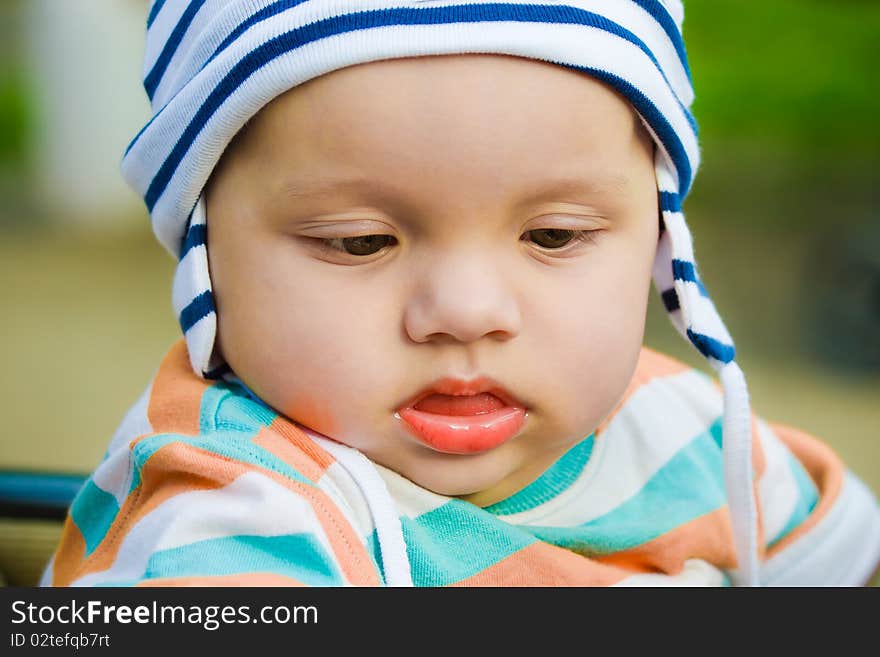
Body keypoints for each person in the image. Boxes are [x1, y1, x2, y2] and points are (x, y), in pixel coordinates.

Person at [42, 0, 879, 587]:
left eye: (552, 236)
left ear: (659, 236)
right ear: (205, 251)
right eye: (360, 241)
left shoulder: (693, 436)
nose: (469, 312)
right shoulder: (227, 523)